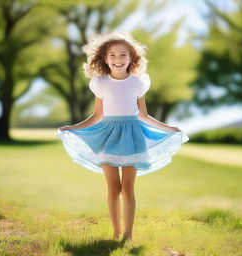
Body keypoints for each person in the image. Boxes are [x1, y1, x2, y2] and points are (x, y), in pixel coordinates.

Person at [57, 31, 189, 242]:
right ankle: (116, 231)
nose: (118, 60)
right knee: (113, 188)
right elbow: (97, 115)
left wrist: (168, 128)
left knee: (127, 188)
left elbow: (143, 115)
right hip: (107, 136)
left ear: (131, 57)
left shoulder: (138, 82)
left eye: (123, 55)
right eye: (112, 55)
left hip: (133, 137)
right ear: (104, 58)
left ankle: (128, 235)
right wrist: (73, 127)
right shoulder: (100, 83)